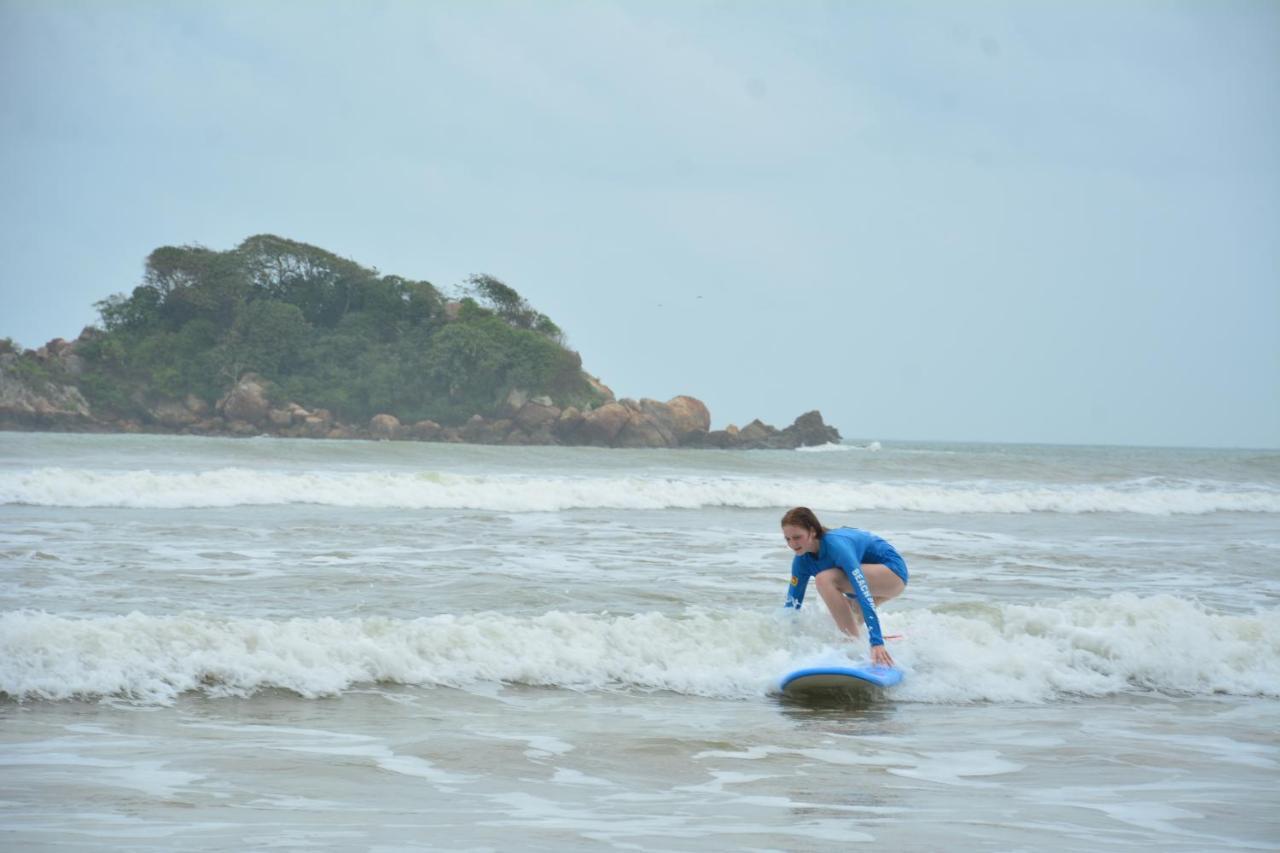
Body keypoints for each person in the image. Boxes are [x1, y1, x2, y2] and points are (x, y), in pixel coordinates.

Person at [781, 506, 908, 667]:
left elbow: (862, 591)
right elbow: (792, 604)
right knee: (842, 615)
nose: (792, 544)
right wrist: (786, 646)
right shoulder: (801, 561)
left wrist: (876, 641)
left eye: (797, 537)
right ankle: (859, 638)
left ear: (812, 532)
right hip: (869, 581)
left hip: (893, 574)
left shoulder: (836, 546)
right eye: (788, 539)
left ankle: (852, 645)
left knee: (824, 580)